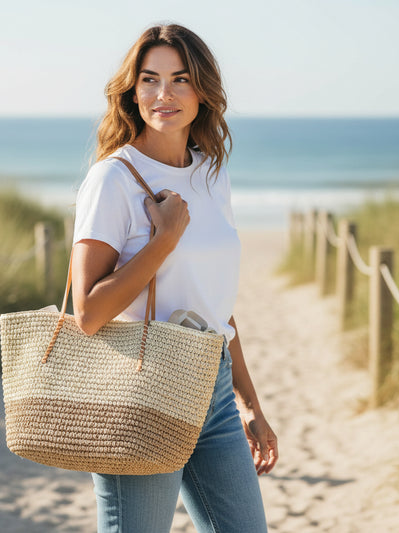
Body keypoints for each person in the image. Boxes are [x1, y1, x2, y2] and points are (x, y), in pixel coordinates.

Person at [71, 23, 278, 533]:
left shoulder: (212, 173)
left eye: (180, 79)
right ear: (132, 90)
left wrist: (249, 404)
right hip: (142, 388)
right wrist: (163, 241)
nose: (163, 95)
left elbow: (215, 303)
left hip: (214, 390)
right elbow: (88, 312)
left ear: (203, 91)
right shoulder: (113, 178)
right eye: (150, 79)